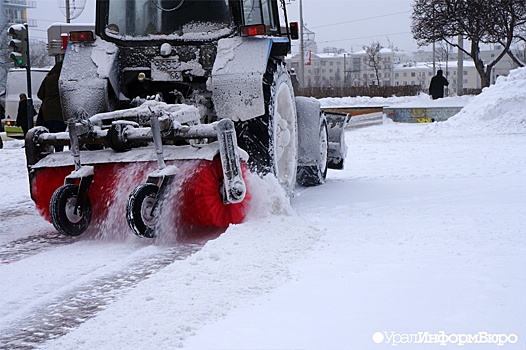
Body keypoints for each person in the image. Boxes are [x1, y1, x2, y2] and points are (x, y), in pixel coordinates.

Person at [37, 61, 66, 151]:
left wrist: (48, 100)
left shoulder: (48, 79)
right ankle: (59, 151)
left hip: (47, 112)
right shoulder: (64, 79)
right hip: (61, 111)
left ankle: (51, 151)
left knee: (51, 133)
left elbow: (40, 94)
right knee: (60, 134)